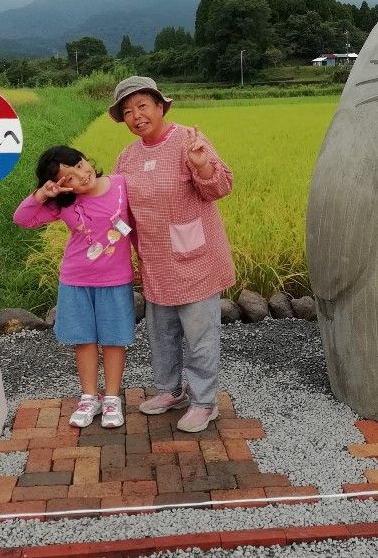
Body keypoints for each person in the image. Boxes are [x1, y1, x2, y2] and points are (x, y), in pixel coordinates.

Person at [109, 76, 235, 433]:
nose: (136, 116)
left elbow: (221, 187)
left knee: (200, 335)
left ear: (161, 106)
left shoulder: (187, 141)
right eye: (128, 111)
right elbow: (121, 211)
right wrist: (115, 246)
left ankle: (204, 402)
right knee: (161, 332)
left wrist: (201, 165)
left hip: (197, 259)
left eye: (143, 106)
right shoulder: (128, 156)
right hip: (155, 259)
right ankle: (169, 391)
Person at [13, 145, 136, 428]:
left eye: (79, 165)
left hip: (116, 279)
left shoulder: (120, 185)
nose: (81, 175)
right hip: (76, 278)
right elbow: (22, 219)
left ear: (85, 159)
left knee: (115, 340)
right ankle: (89, 397)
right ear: (60, 185)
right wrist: (43, 194)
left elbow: (143, 222)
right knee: (84, 340)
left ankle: (112, 399)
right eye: (68, 178)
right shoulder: (63, 204)